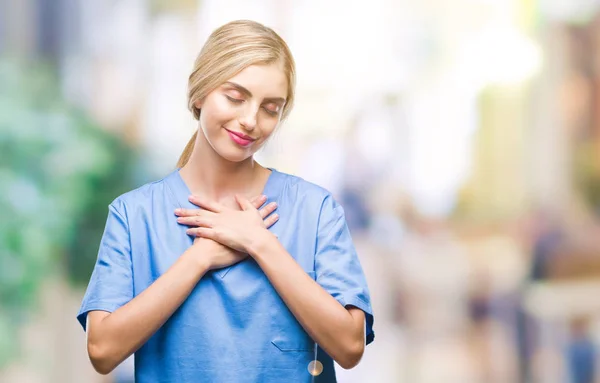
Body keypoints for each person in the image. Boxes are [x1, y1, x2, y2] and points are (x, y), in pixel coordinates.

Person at [76, 20, 374, 383]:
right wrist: (200, 257)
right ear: (199, 94)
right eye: (235, 97)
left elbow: (349, 346)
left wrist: (261, 244)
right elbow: (102, 351)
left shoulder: (315, 210)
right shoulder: (134, 214)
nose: (250, 120)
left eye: (270, 108)